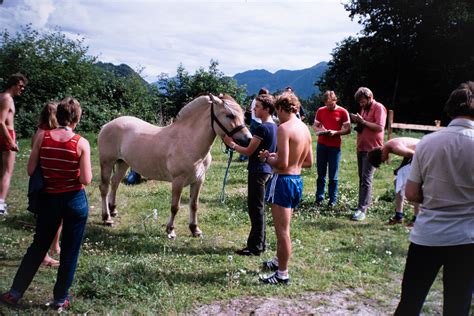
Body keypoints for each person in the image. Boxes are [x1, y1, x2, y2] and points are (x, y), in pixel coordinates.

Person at [0, 97, 92, 311]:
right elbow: (86, 180)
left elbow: (31, 170)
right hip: (74, 201)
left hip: (49, 199)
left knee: (37, 247)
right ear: (76, 118)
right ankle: (60, 299)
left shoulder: (43, 137)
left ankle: (14, 294)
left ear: (57, 116)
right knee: (70, 251)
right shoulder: (81, 142)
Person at [395, 81, 474, 315]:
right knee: (457, 306)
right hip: (467, 238)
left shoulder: (427, 143)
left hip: (428, 235)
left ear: (450, 108)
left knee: (410, 301)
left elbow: (411, 193)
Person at [258, 93, 313, 285]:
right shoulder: (305, 129)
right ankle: (277, 261)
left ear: (281, 108)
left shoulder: (284, 128)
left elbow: (281, 164)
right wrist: (282, 158)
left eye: (276, 111)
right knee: (285, 228)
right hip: (296, 180)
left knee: (282, 231)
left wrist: (267, 157)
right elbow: (308, 162)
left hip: (282, 181)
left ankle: (282, 274)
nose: (276, 116)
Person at [223, 93, 277, 256]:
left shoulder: (262, 128)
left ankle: (255, 247)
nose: (254, 108)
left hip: (258, 171)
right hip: (268, 170)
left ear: (267, 109)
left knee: (256, 209)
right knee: (259, 208)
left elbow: (248, 151)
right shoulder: (274, 126)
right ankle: (261, 243)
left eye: (258, 106)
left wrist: (231, 144)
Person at [31, 102, 62, 267]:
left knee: (53, 218)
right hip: (47, 181)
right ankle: (44, 255)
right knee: (48, 220)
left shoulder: (40, 132)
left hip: (43, 180)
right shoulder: (46, 134)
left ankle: (55, 246)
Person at [349, 87, 387, 221]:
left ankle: (363, 209)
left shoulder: (379, 108)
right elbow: (363, 127)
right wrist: (357, 121)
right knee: (362, 177)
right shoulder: (364, 109)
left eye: (363, 101)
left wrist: (363, 121)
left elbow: (380, 127)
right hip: (362, 147)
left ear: (370, 98)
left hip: (373, 149)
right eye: (359, 102)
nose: (361, 104)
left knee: (366, 178)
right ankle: (361, 205)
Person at [368, 137, 420, 225]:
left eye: (382, 161)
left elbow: (415, 155)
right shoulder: (389, 146)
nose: (384, 161)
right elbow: (407, 154)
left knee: (415, 188)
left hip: (422, 155)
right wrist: (401, 167)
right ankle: (399, 215)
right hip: (418, 154)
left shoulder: (394, 147)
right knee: (397, 182)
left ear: (381, 155)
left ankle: (416, 219)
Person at [312, 90, 351, 207]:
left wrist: (336, 132)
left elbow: (348, 129)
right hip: (322, 145)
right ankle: (319, 198)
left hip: (335, 146)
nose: (329, 107)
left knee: (333, 175)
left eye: (331, 104)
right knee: (321, 173)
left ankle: (332, 200)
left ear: (336, 100)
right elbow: (315, 125)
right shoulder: (321, 110)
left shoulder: (343, 111)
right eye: (327, 104)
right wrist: (320, 131)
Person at [0, 73, 27, 215]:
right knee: (7, 171)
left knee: (1, 170)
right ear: (14, 84)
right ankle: (1, 204)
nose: (22, 89)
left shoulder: (2, 97)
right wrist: (11, 142)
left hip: (3, 134)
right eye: (20, 86)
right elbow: (1, 121)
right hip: (6, 134)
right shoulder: (7, 98)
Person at [239, 88, 270, 162]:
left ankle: (243, 157)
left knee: (249, 140)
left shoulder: (254, 100)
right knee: (259, 141)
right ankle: (256, 155)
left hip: (253, 120)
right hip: (258, 121)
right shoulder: (260, 101)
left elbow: (251, 109)